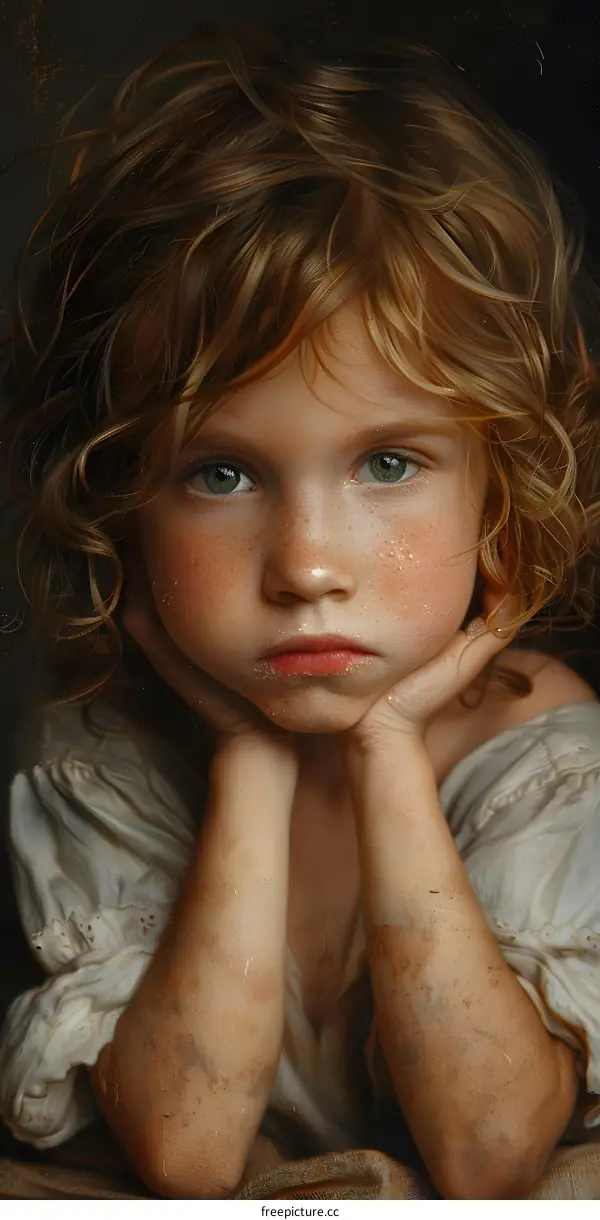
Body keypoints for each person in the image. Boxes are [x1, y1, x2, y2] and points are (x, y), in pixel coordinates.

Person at [1, 20, 600, 1201]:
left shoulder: (539, 747)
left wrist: (389, 756)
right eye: (222, 473)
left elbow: (488, 1151)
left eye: (389, 463)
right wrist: (248, 759)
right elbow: (187, 1151)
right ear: (123, 506)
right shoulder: (98, 757)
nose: (308, 565)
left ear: (498, 490)